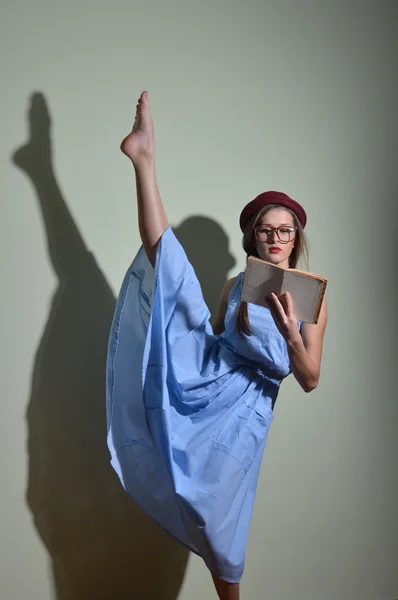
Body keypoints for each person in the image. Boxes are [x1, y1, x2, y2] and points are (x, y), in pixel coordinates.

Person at [106, 91, 328, 600]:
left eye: (285, 231)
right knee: (173, 276)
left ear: (296, 238)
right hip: (210, 384)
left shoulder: (312, 295)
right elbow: (212, 339)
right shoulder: (235, 283)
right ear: (254, 237)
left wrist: (290, 329)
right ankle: (144, 160)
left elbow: (311, 377)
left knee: (221, 534)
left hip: (246, 415)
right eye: (267, 230)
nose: (276, 237)